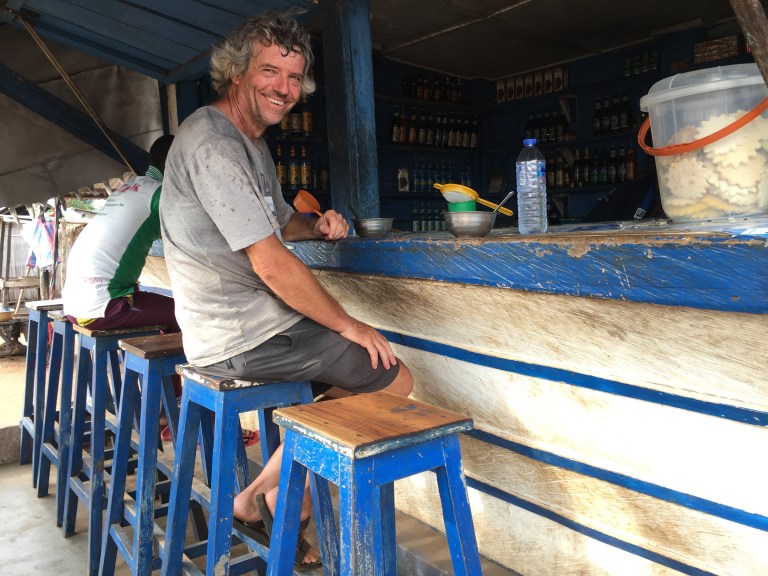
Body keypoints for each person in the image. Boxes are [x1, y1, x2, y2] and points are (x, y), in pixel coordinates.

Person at [159, 13, 414, 568]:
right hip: (239, 335)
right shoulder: (213, 144)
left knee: (352, 385)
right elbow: (272, 264)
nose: (284, 88)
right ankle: (277, 498)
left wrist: (316, 223)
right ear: (236, 72)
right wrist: (349, 324)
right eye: (270, 71)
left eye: (294, 77)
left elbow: (279, 224)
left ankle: (265, 493)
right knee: (394, 379)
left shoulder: (248, 143)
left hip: (245, 326)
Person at [62, 135, 180, 334]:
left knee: (166, 308)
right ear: (174, 162)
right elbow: (193, 235)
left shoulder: (127, 188)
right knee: (187, 316)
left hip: (76, 304)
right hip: (103, 306)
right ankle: (169, 355)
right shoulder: (160, 194)